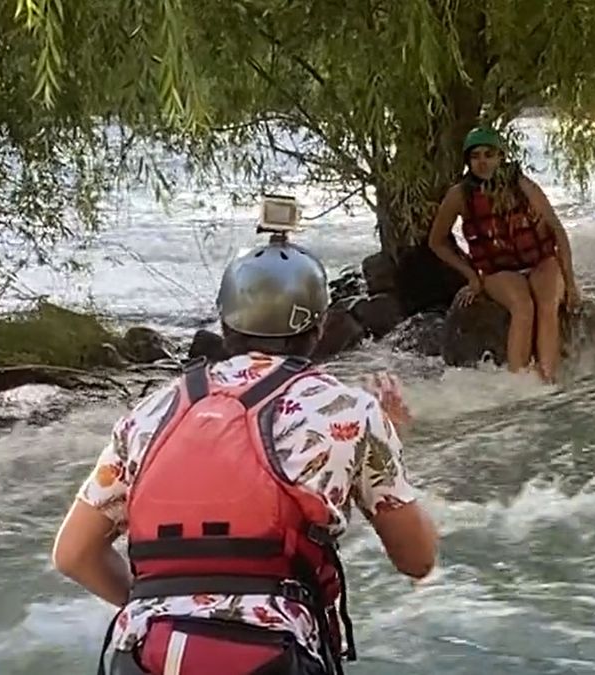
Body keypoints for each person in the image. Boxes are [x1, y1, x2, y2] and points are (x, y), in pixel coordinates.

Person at [51, 223, 439, 675]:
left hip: (148, 651)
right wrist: (389, 444)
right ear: (318, 326)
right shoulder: (349, 410)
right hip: (272, 656)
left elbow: (74, 554)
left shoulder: (149, 413)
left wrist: (165, 606)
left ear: (225, 323)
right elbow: (417, 559)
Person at [428, 125, 581, 383]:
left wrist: (571, 284)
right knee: (523, 306)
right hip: (499, 270)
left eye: (489, 155)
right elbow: (437, 241)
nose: (483, 162)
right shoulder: (460, 195)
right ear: (467, 161)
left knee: (547, 304)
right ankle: (519, 383)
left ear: (501, 157)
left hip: (540, 261)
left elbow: (557, 231)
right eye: (475, 156)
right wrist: (472, 276)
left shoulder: (522, 185)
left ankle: (548, 380)